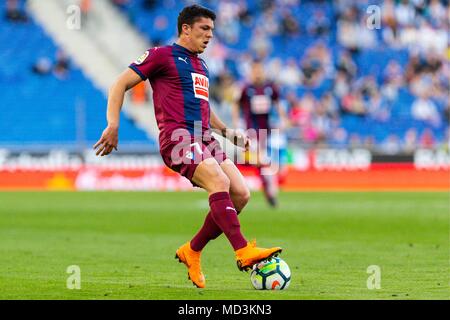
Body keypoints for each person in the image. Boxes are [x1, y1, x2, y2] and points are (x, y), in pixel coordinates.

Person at [93, 5, 282, 289]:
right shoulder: (162, 55)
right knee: (218, 181)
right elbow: (119, 84)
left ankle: (191, 251)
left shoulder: (202, 65)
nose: (209, 36)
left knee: (241, 194)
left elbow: (204, 107)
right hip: (177, 137)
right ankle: (243, 251)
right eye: (204, 29)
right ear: (186, 29)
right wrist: (113, 124)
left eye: (212, 31)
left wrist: (228, 133)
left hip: (205, 137)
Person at [232, 60, 289, 207]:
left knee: (268, 164)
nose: (257, 73)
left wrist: (283, 118)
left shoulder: (270, 88)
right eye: (255, 70)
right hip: (252, 132)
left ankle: (268, 188)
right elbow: (236, 104)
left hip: (268, 131)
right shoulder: (246, 88)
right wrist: (237, 123)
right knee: (260, 161)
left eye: (259, 70)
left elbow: (278, 103)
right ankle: (269, 191)